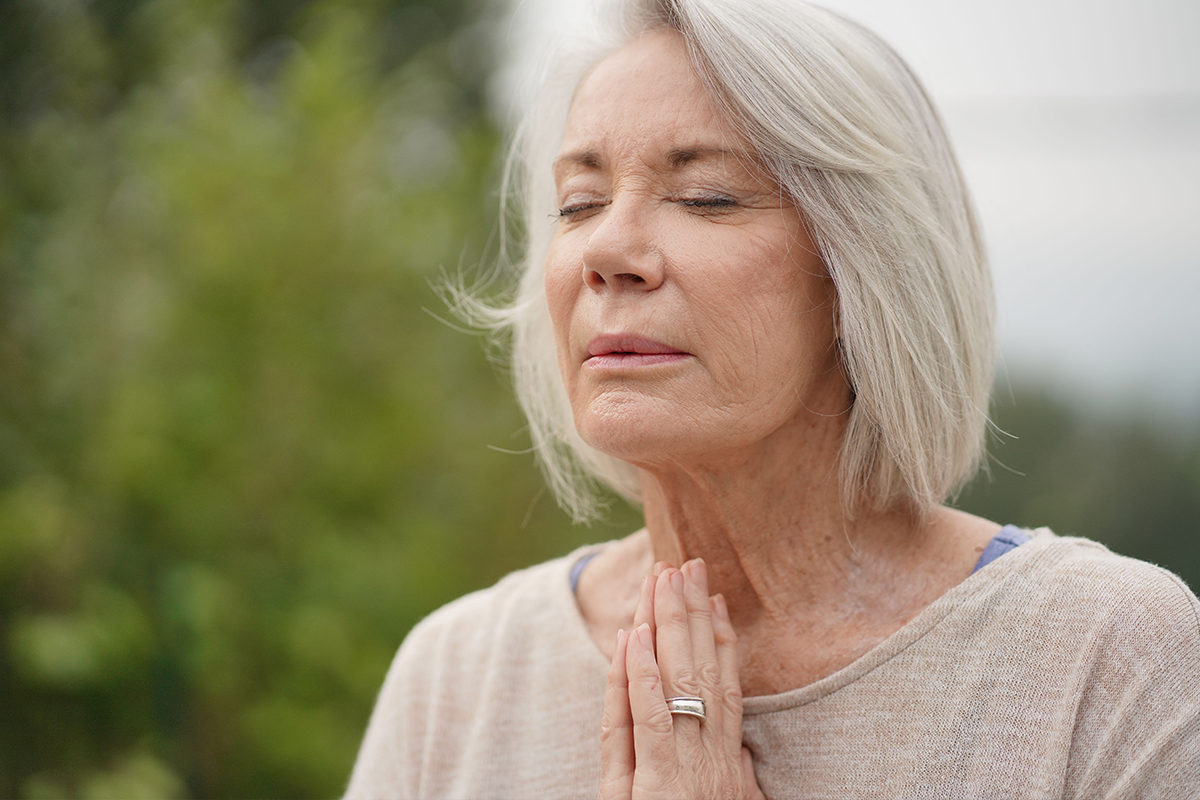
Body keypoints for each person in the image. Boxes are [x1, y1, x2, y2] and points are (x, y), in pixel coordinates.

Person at [344, 0, 1200, 797]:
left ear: (862, 271)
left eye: (706, 195)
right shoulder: (459, 677)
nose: (608, 248)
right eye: (580, 202)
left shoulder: (1110, 660)